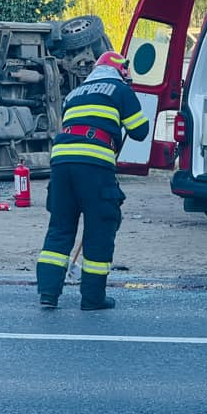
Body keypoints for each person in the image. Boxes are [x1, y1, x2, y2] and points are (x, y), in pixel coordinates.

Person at [35, 50, 150, 311]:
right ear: (121, 71)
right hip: (94, 165)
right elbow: (141, 131)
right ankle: (92, 298)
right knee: (100, 229)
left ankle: (48, 294)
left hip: (61, 163)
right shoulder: (120, 90)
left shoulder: (74, 94)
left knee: (60, 228)